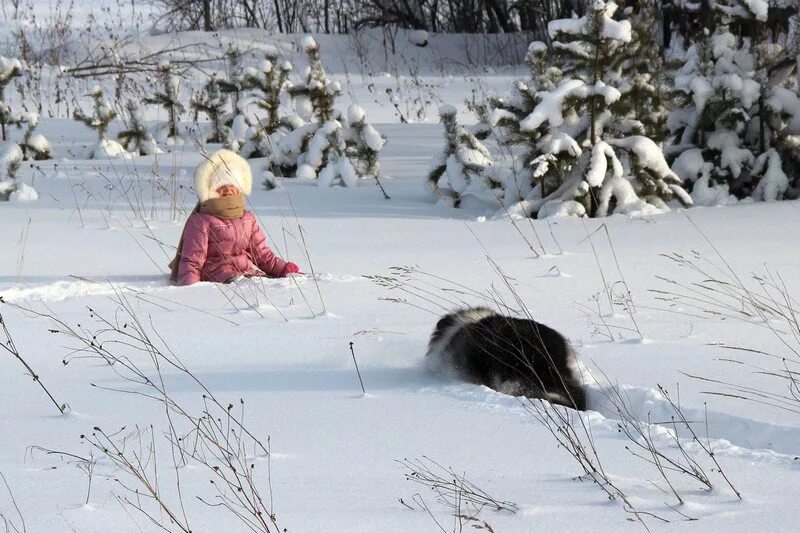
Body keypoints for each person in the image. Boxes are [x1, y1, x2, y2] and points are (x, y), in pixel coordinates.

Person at [169, 149, 301, 285]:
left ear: (239, 187)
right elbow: (192, 259)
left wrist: (283, 269)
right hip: (217, 278)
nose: (227, 189)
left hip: (246, 274)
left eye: (231, 184)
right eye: (220, 185)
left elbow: (261, 254)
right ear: (210, 189)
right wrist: (189, 286)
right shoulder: (201, 220)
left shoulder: (247, 219)